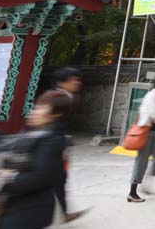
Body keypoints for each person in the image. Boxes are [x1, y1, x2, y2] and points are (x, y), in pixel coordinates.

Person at [0, 91, 71, 228]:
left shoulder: (53, 140)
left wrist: (10, 177)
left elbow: (41, 176)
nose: (35, 111)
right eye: (37, 107)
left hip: (30, 209)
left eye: (42, 108)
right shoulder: (30, 133)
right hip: (12, 201)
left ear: (56, 114)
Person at [51, 67, 89, 223]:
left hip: (54, 145)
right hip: (50, 146)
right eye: (74, 79)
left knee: (59, 179)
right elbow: (48, 125)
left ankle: (65, 212)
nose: (77, 82)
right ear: (63, 82)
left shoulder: (67, 97)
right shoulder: (57, 99)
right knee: (53, 179)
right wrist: (57, 148)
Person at [128, 73, 155, 203]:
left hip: (152, 133)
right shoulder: (152, 96)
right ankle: (132, 192)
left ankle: (146, 184)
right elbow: (154, 115)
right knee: (141, 161)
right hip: (146, 132)